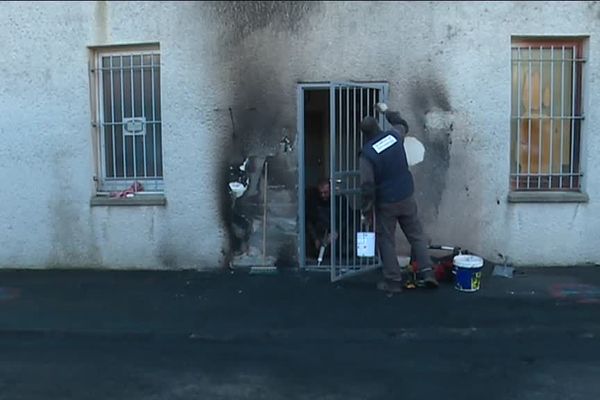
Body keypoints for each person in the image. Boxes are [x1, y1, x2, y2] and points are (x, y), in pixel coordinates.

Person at [359, 105, 438, 293]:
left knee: (386, 239)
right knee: (416, 236)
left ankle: (393, 281)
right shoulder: (394, 136)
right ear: (378, 126)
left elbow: (367, 186)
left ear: (363, 134)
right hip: (406, 196)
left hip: (386, 202)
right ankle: (428, 273)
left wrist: (366, 211)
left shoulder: (367, 154)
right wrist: (386, 110)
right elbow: (402, 123)